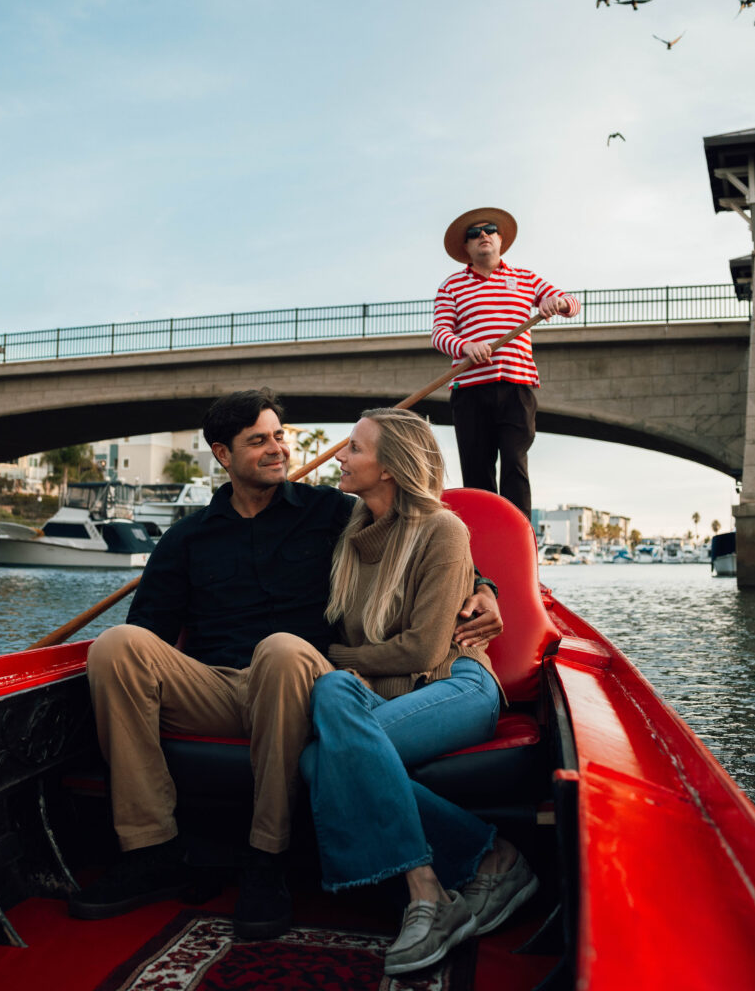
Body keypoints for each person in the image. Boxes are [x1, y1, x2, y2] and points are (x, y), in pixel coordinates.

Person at [73, 389, 503, 941]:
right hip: (218, 688)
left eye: (280, 435)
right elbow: (149, 639)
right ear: (223, 455)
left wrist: (485, 588)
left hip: (300, 680)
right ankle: (151, 848)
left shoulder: (332, 512)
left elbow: (418, 536)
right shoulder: (185, 539)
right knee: (115, 645)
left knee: (279, 648)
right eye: (259, 441)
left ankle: (265, 856)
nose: (278, 449)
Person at [300, 408, 539, 977]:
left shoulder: (444, 530)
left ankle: (449, 887)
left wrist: (330, 658)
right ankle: (458, 873)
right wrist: (335, 669)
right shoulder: (347, 532)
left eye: (355, 449)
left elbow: (422, 651)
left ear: (390, 468)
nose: (340, 456)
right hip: (382, 694)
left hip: (456, 683)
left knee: (323, 755)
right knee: (325, 719)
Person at [432, 207, 582, 519]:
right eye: (474, 234)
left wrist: (558, 302)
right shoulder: (451, 287)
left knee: (515, 463)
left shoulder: (526, 279)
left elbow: (571, 304)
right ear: (466, 248)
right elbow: (440, 335)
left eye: (489, 230)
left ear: (500, 240)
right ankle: (482, 547)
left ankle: (519, 538)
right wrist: (467, 346)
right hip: (470, 390)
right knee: (477, 471)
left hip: (517, 387)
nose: (482, 235)